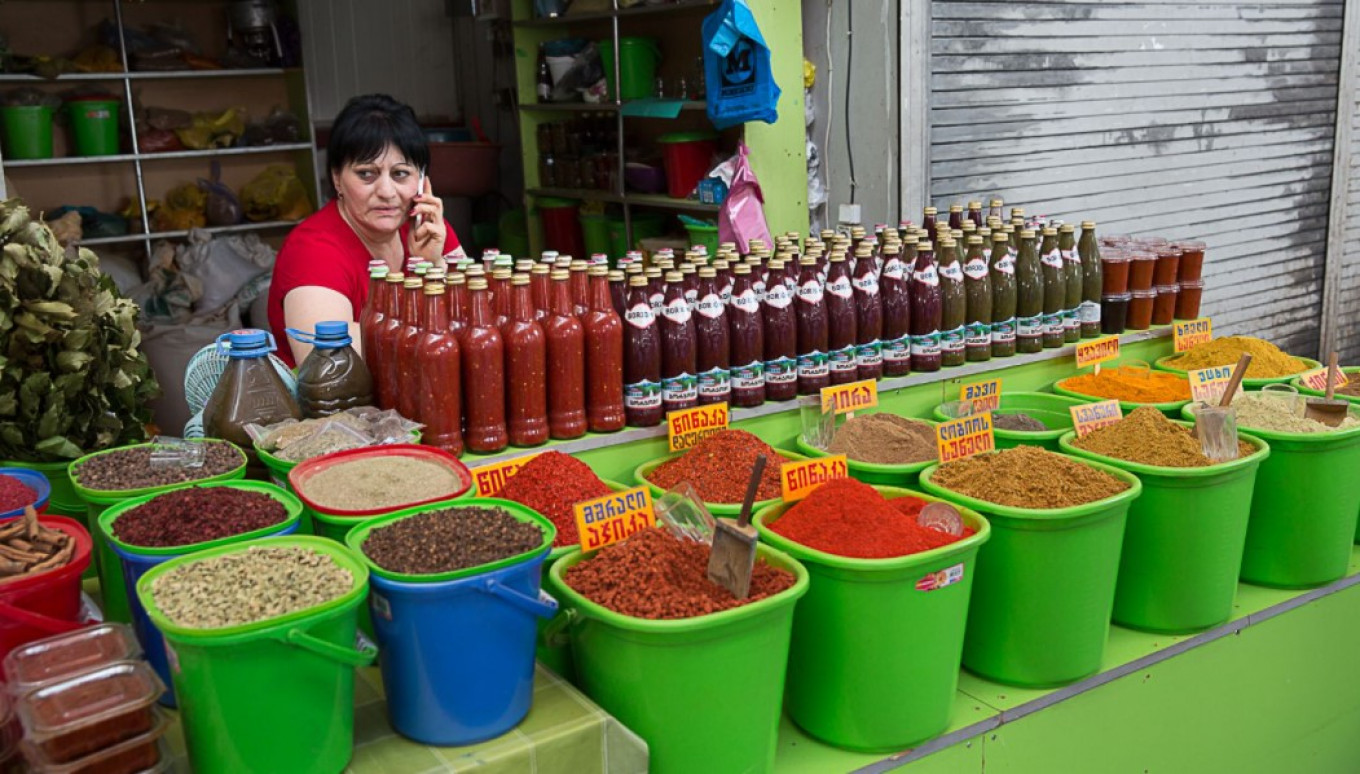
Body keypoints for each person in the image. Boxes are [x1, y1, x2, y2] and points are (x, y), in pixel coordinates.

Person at [268, 93, 466, 367]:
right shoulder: (313, 252)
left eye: (400, 174)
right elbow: (332, 365)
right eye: (366, 174)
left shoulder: (429, 229)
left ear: (421, 181)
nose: (386, 192)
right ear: (337, 177)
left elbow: (480, 318)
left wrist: (435, 264)